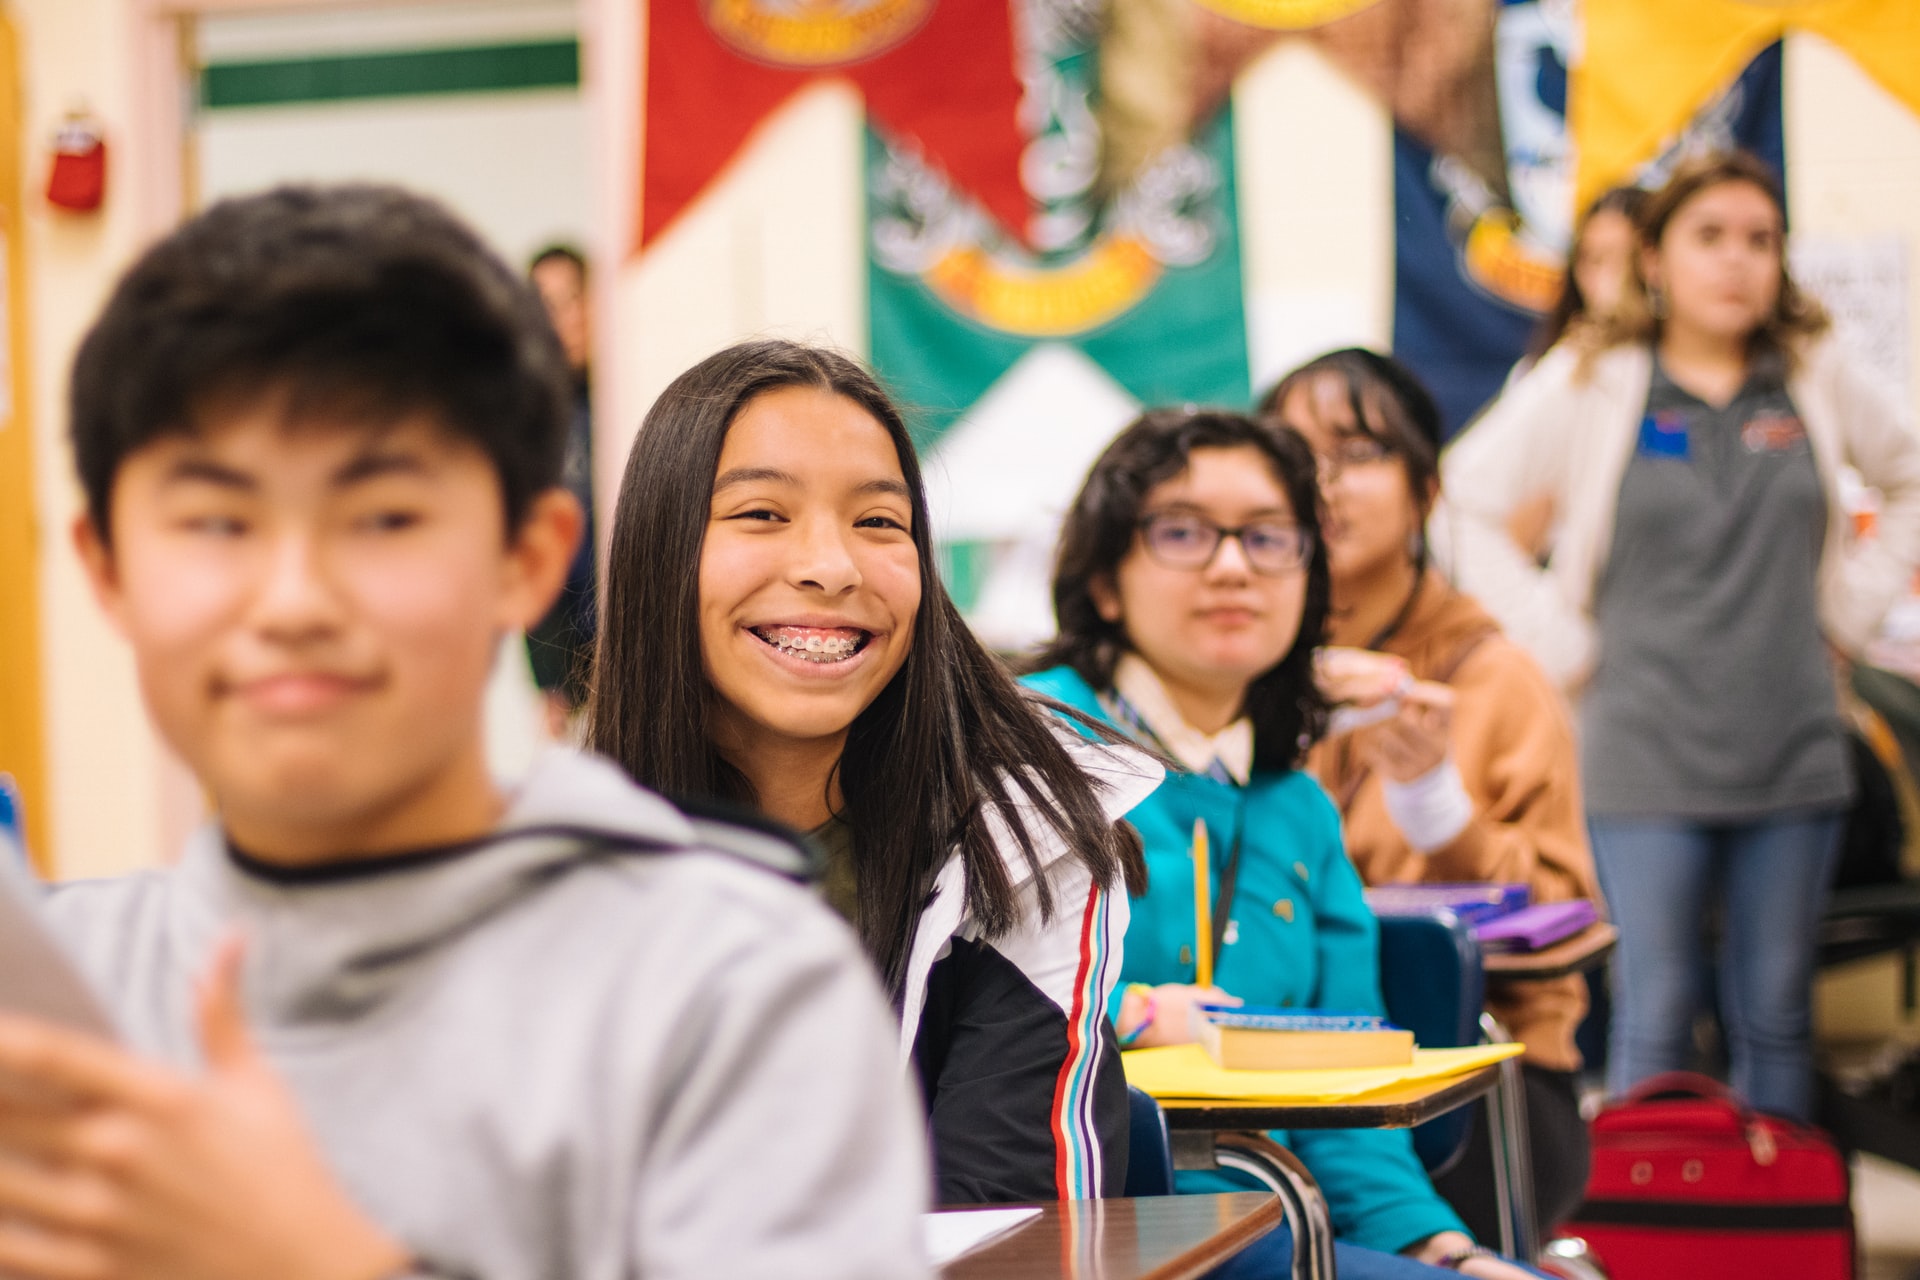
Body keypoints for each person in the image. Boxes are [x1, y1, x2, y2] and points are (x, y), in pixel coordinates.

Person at [3, 186, 929, 1279]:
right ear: (108, 567)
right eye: (217, 521)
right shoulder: (59, 1004)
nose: (294, 598)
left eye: (383, 517)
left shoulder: (731, 992)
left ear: (528, 560)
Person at [587, 338, 1161, 1204]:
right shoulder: (544, 871)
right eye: (761, 515)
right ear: (659, 554)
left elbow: (1021, 1231)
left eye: (879, 522)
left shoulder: (1022, 847)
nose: (833, 566)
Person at [1441, 150, 1920, 1120]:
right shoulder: (1597, 377)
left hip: (1792, 743)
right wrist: (1558, 638)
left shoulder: (1814, 372)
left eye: (1761, 240)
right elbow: (1460, 500)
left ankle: (1779, 1249)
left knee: (1779, 1016)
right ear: (1654, 258)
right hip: (1642, 746)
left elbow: (1911, 470)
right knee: (1656, 1008)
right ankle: (1658, 1242)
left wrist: (1851, 611)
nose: (1738, 261)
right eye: (1710, 237)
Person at [1025, 408, 1538, 1279]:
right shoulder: (1030, 746)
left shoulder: (1299, 806)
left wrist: (1445, 1250)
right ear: (1105, 580)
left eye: (1269, 538)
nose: (1233, 567)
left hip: (1274, 1228)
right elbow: (956, 1018)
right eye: (1183, 532)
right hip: (1086, 1224)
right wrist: (1141, 1016)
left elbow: (1347, 1095)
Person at [1264, 348, 1598, 1241]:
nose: (1324, 484)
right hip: (1262, 1076)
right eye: (1295, 455)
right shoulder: (1230, 680)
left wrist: (1439, 815)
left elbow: (1570, 914)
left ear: (1425, 490)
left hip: (1473, 1081)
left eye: (1360, 452)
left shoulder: (1497, 679)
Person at [525, 244, 597, 730]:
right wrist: (549, 678)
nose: (564, 320)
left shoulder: (629, 397)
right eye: (546, 306)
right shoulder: (533, 420)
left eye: (574, 299)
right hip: (570, 658)